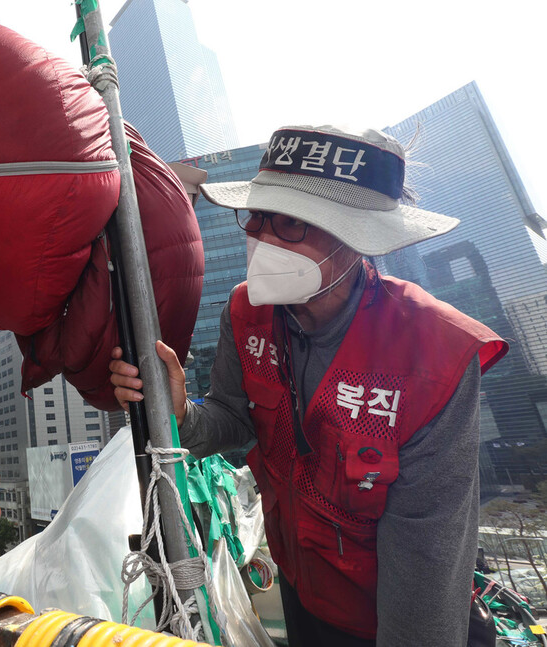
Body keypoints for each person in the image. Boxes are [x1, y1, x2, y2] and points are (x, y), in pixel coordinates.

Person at [110, 125, 509, 646]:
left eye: (289, 223)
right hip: (303, 598)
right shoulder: (245, 313)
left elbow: (427, 555)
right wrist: (179, 412)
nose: (256, 233)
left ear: (354, 237)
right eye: (254, 215)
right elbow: (233, 420)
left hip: (396, 623)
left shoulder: (434, 353)